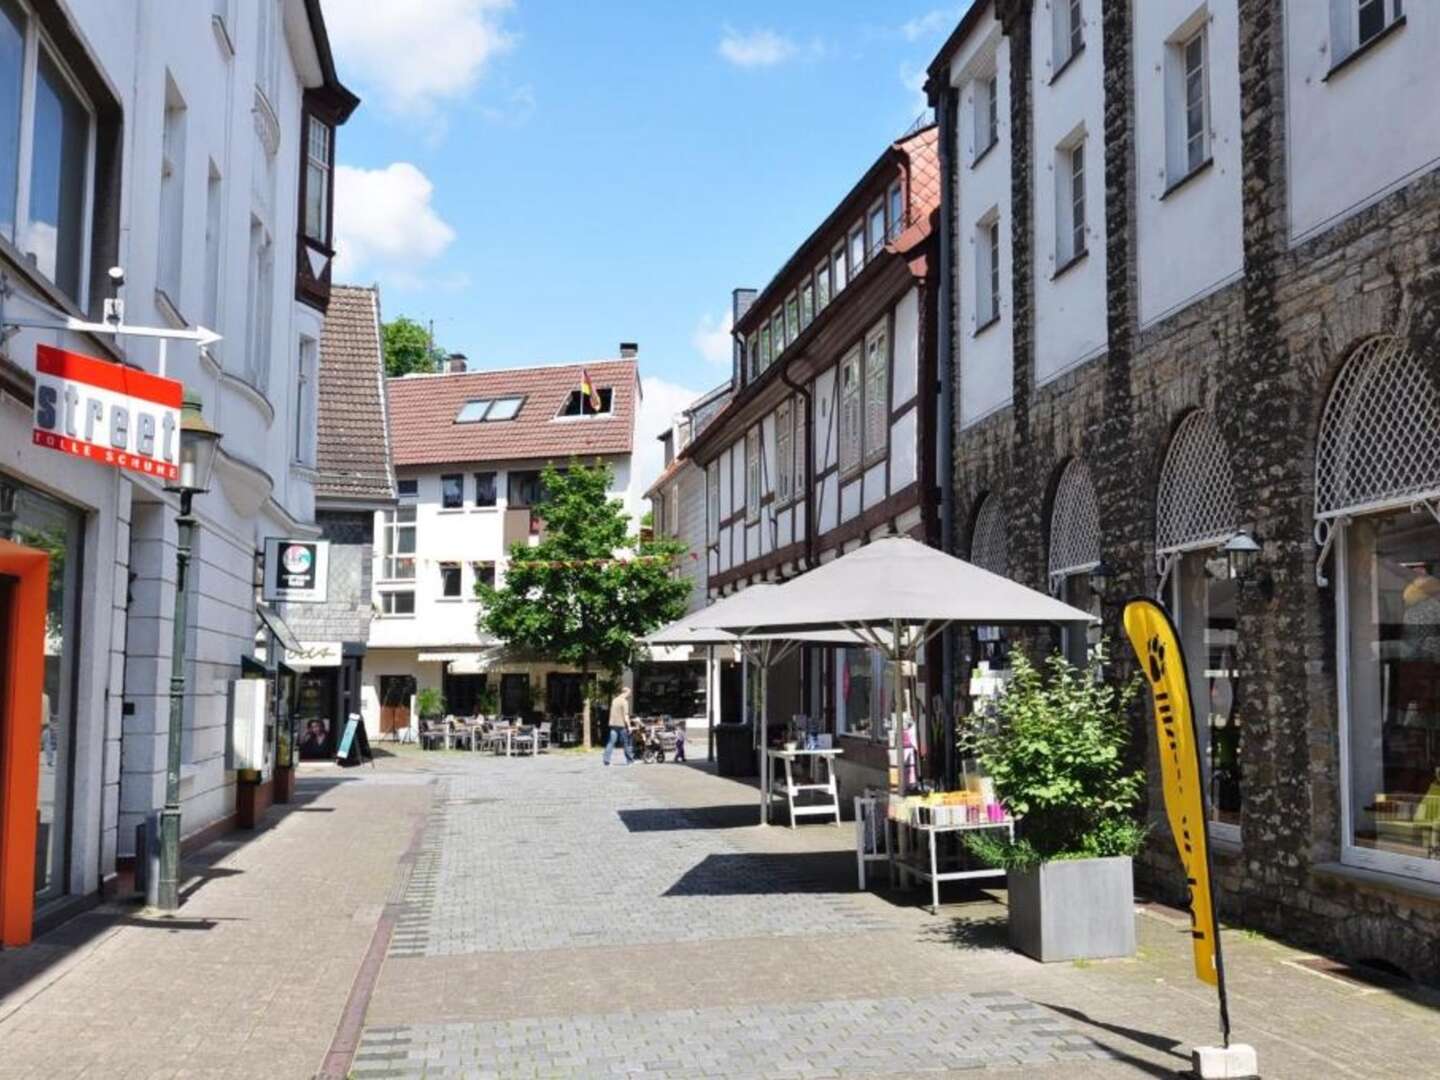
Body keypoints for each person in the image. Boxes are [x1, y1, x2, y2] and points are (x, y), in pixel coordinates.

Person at [602, 686, 634, 766]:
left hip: (613, 724)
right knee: (625, 743)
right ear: (626, 692)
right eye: (629, 693)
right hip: (621, 725)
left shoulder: (614, 700)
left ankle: (606, 760)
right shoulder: (624, 702)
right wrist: (629, 726)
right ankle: (629, 760)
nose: (629, 695)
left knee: (611, 742)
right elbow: (626, 715)